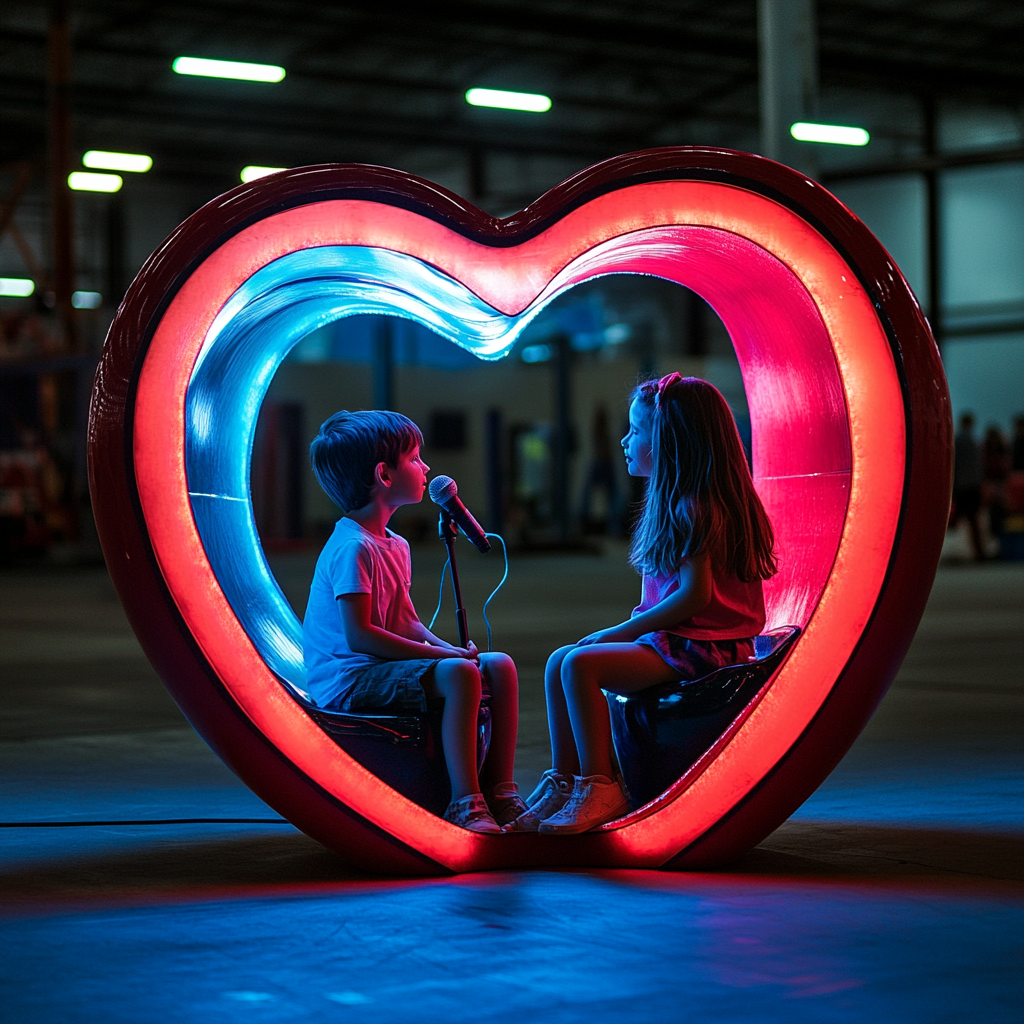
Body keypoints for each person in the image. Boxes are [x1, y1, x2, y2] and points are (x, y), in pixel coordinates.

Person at [510, 374, 777, 834]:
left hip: (705, 648)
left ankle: (601, 785)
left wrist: (621, 632)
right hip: (679, 642)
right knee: (559, 660)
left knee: (580, 666)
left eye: (636, 431)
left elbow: (696, 596)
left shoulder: (694, 507)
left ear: (670, 441)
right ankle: (565, 780)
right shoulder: (675, 502)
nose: (623, 440)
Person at [303, 410, 525, 834]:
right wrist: (446, 658)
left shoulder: (395, 544)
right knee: (460, 675)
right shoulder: (352, 547)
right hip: (349, 680)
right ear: (384, 474)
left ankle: (501, 790)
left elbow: (404, 623)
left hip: (381, 670)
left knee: (499, 666)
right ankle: (465, 801)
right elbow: (361, 636)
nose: (426, 468)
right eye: (416, 459)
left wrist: (448, 649)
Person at [952, 412, 985, 561]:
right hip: (971, 485)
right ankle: (979, 551)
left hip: (962, 485)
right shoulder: (970, 440)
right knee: (973, 520)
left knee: (960, 518)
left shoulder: (959, 439)